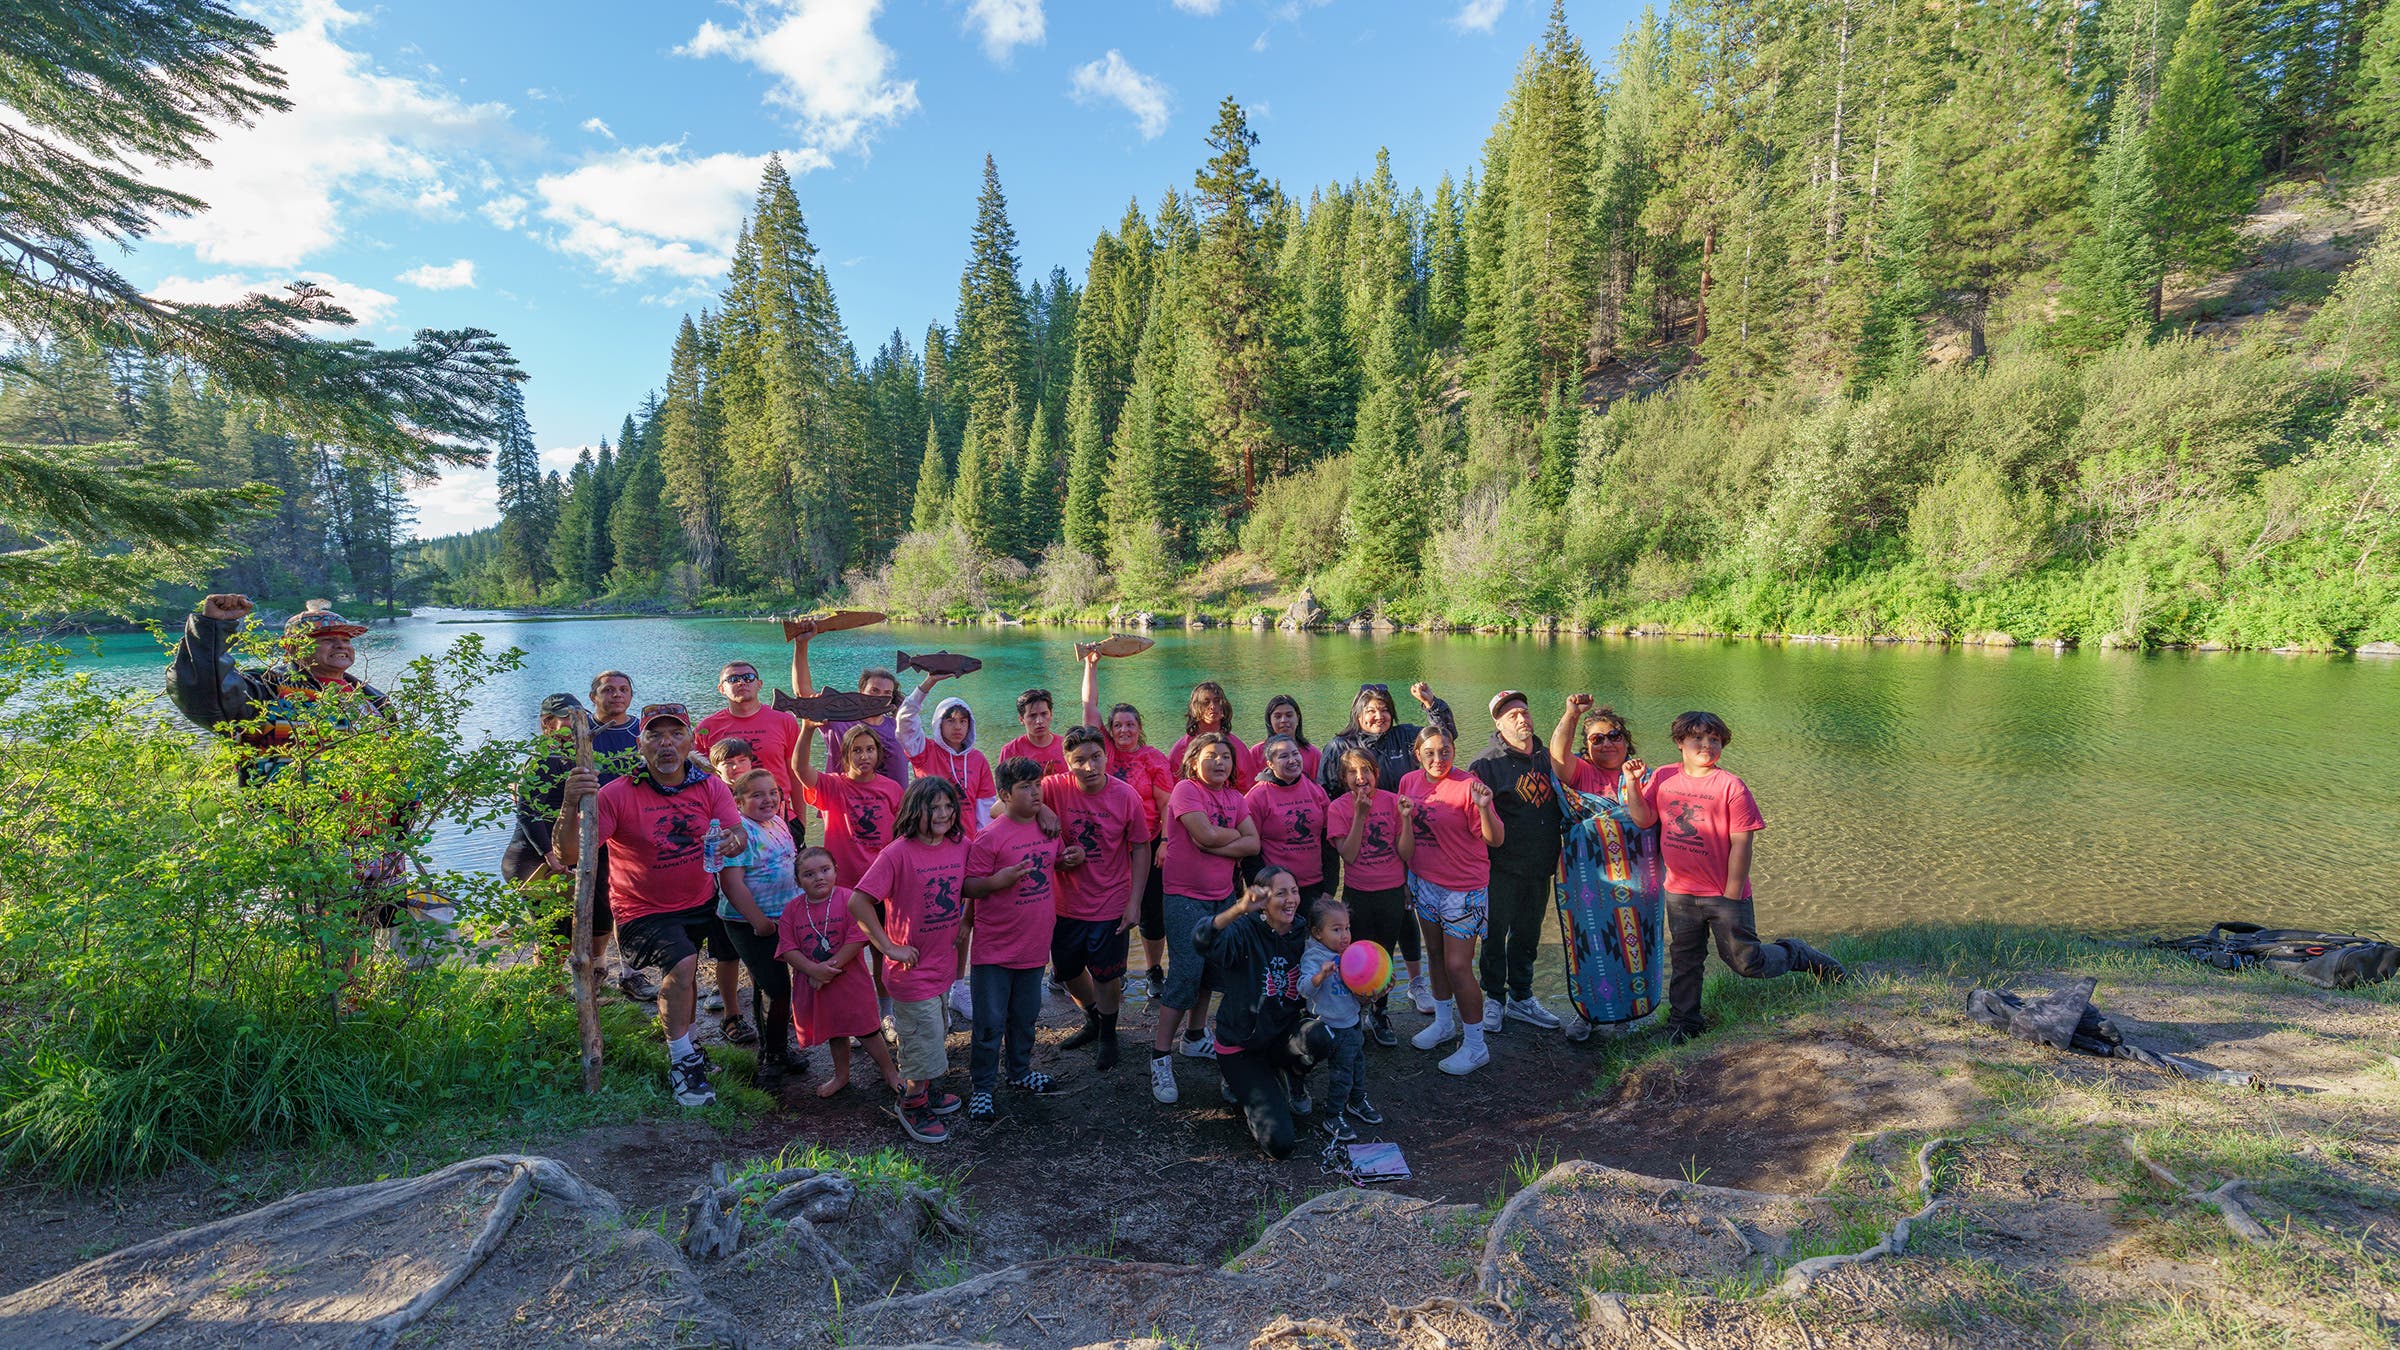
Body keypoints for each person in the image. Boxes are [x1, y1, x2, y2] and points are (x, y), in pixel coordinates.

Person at [554, 703, 749, 1108]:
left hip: (698, 900)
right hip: (640, 907)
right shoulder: (617, 794)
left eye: (675, 734)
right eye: (655, 736)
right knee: (681, 967)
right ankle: (682, 1063)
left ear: (690, 741)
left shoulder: (709, 787)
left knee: (687, 973)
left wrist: (733, 841)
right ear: (639, 744)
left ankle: (690, 1043)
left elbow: (735, 833)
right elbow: (571, 853)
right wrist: (569, 805)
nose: (666, 744)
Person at [1645, 711, 1845, 1042]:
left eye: (1714, 739)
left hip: (1723, 893)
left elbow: (1741, 844)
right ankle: (1684, 1023)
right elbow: (1644, 816)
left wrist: (1732, 893)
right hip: (1679, 892)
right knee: (1685, 958)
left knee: (1746, 962)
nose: (1707, 744)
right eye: (1697, 737)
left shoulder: (1731, 786)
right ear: (1680, 742)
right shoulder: (1664, 777)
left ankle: (1797, 953)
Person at [1317, 681, 1456, 1013]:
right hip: (1356, 846)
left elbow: (1443, 738)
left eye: (1383, 709)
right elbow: (1323, 792)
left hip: (1398, 832)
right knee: (1359, 936)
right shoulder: (1340, 746)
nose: (1378, 716)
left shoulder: (1405, 736)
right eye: (1370, 710)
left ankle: (1410, 987)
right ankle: (1356, 1003)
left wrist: (1431, 703)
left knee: (1402, 919)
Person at [848, 776, 972, 1142]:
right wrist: (889, 947)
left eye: (949, 806)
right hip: (911, 971)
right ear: (914, 809)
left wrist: (966, 919)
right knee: (922, 1038)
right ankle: (912, 1103)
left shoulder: (958, 844)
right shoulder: (897, 853)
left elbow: (976, 879)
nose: (944, 814)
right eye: (934, 808)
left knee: (935, 1033)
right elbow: (858, 902)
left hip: (942, 966)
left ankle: (927, 1087)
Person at [168, 594, 394, 787]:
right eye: (326, 639)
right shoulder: (266, 688)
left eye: (346, 640)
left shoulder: (370, 698)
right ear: (292, 647)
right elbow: (204, 689)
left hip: (376, 832)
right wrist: (211, 629)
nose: (342, 645)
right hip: (298, 831)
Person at [1150, 733, 1259, 1105]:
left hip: (1223, 896)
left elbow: (1253, 843)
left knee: (1214, 970)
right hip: (1184, 896)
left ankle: (1195, 1038)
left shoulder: (1235, 797)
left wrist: (1215, 840)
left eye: (1226, 757)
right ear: (1195, 759)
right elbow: (1201, 834)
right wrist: (1224, 838)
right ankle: (1160, 1056)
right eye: (1212, 756)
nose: (1219, 763)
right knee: (1184, 972)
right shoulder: (1186, 789)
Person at [1548, 695, 1664, 1043]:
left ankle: (1626, 1013)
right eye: (1596, 738)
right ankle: (1587, 1014)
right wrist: (1571, 714)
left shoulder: (1646, 776)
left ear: (1626, 740)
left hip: (1638, 878)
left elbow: (1645, 821)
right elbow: (1556, 756)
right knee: (1587, 944)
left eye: (1614, 735)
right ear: (1586, 747)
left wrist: (1633, 783)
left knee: (1634, 942)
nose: (1607, 743)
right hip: (1587, 878)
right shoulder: (1581, 772)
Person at [1195, 866, 1331, 1160]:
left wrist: (1367, 989)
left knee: (1321, 1036)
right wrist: (1238, 909)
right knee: (1279, 1145)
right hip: (1242, 1045)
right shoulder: (1243, 931)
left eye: (1294, 891)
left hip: (1282, 1038)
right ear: (1261, 901)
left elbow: (1339, 969)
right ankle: (1241, 1082)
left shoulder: (1304, 932)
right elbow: (1202, 939)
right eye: (1281, 893)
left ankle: (1293, 1075)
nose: (1291, 899)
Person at [1042, 725, 1154, 1070]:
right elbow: (1006, 805)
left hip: (1111, 900)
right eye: (1080, 761)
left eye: (1096, 757)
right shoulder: (1052, 789)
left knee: (1107, 975)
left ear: (1106, 755)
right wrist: (1043, 812)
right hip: (1065, 902)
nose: (1090, 767)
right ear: (1066, 762)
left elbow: (1141, 847)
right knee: (1067, 969)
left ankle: (1108, 1033)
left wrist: (1135, 901)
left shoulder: (1125, 795)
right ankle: (1093, 1018)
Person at [961, 758, 1065, 1120]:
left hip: (1035, 945)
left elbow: (1057, 862)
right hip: (995, 949)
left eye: (1037, 784)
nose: (1035, 791)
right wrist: (998, 881)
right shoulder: (990, 836)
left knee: (1025, 1016)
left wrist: (1070, 858)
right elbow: (969, 885)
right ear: (1004, 795)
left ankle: (1019, 1073)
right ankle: (982, 1087)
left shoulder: (1048, 827)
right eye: (1025, 787)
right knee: (989, 1022)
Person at [1396, 725, 1503, 1076]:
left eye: (1445, 751)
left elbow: (1496, 839)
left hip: (1463, 887)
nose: (1438, 758)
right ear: (1418, 754)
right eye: (1430, 752)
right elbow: (1407, 840)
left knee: (1459, 965)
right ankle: (1444, 1024)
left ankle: (1475, 1046)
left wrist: (1485, 808)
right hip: (1425, 883)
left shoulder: (1467, 785)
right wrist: (1409, 879)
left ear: (1454, 750)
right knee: (1437, 955)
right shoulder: (1409, 782)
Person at [1469, 690, 1568, 1034]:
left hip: (1541, 866)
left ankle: (1522, 997)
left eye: (1524, 711)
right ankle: (1494, 998)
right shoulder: (1486, 765)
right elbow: (1472, 820)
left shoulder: (1549, 757)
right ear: (1497, 723)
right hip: (1500, 867)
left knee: (1528, 933)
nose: (1520, 719)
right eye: (1511, 715)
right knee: (1494, 934)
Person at [1079, 649, 1176, 1001]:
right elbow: (1090, 709)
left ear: (1139, 728)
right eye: (1118, 724)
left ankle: (1152, 970)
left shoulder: (1153, 758)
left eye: (1130, 724)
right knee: (1109, 911)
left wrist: (1166, 842)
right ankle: (1112, 971)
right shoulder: (1103, 750)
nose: (1123, 729)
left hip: (1148, 845)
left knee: (1151, 914)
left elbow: (1166, 804)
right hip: (1108, 850)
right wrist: (1091, 667)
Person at [778, 845, 900, 1099]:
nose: (819, 877)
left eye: (825, 870)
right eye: (809, 874)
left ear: (836, 870)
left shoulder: (849, 900)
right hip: (816, 984)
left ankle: (890, 1071)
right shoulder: (792, 910)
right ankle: (841, 1075)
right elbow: (788, 948)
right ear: (798, 880)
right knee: (836, 1030)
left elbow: (857, 940)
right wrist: (813, 969)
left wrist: (826, 971)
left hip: (849, 981)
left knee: (867, 1030)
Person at [715, 770, 802, 1088]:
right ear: (738, 802)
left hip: (783, 917)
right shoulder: (739, 834)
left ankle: (779, 1048)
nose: (768, 799)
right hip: (749, 923)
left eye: (773, 792)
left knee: (773, 987)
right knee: (776, 989)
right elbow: (731, 883)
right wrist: (759, 922)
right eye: (757, 795)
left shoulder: (778, 822)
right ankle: (770, 1058)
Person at [1328, 748, 1409, 1047]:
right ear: (1343, 777)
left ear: (1376, 773)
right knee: (1356, 954)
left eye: (1366, 770)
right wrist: (1360, 815)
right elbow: (1348, 855)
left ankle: (1380, 1012)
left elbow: (1405, 853)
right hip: (1358, 892)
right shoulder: (1338, 808)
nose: (1360, 778)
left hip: (1390, 891)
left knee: (1385, 955)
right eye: (1352, 772)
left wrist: (1407, 820)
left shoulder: (1391, 802)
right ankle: (1354, 1013)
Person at [587, 670, 655, 1001]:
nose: (617, 695)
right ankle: (598, 968)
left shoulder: (641, 732)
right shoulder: (582, 734)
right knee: (599, 904)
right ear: (593, 697)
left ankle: (631, 972)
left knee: (632, 903)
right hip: (595, 828)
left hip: (635, 830)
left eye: (624, 689)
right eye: (609, 690)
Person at [788, 623, 908, 790]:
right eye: (874, 690)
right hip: (842, 806)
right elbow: (804, 692)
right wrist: (801, 644)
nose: (880, 696)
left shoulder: (899, 729)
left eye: (887, 693)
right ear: (860, 690)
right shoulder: (839, 719)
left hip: (892, 810)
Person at [696, 659, 806, 840]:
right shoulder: (705, 728)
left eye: (748, 677)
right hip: (731, 821)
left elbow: (795, 773)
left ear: (759, 684)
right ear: (721, 688)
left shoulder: (784, 721)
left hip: (779, 816)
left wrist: (800, 820)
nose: (741, 682)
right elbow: (703, 783)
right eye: (732, 679)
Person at [1300, 899, 1380, 1141]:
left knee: (1358, 1066)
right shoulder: (1314, 957)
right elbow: (1303, 988)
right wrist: (1321, 975)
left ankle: (1356, 1101)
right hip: (1330, 1028)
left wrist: (1377, 987)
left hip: (1352, 1022)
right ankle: (1333, 1115)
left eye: (1346, 928)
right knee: (1341, 1074)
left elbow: (1359, 992)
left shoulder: (1350, 953)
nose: (1345, 935)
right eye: (1336, 929)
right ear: (1317, 932)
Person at [792, 721, 906, 889]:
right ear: (845, 754)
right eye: (856, 750)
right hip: (843, 882)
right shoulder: (832, 785)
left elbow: (902, 834)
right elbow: (800, 768)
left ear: (878, 753)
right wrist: (808, 729)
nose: (864, 756)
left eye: (870, 749)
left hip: (882, 877)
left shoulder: (893, 788)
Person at [701, 738, 761, 1045]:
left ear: (752, 761)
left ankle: (765, 1005)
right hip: (723, 891)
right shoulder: (712, 794)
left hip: (760, 890)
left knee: (760, 952)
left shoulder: (761, 793)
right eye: (728, 762)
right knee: (726, 953)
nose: (735, 767)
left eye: (741, 760)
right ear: (716, 767)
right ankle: (732, 1013)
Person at [898, 670, 998, 830]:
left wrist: (980, 843)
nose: (958, 727)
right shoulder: (923, 752)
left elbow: (986, 807)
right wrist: (928, 683)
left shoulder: (978, 760)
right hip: (929, 838)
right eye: (950, 721)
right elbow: (905, 720)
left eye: (963, 721)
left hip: (967, 842)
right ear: (939, 723)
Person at [1246, 733, 1331, 915]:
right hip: (1277, 890)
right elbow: (1250, 854)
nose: (1292, 760)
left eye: (1295, 754)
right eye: (1283, 756)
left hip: (1314, 885)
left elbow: (1327, 842)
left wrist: (1329, 888)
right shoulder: (1257, 797)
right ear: (1270, 764)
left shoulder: (1316, 791)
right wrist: (1262, 892)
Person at [501, 692, 580, 889]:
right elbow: (528, 812)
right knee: (556, 920)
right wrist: (551, 857)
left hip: (559, 856)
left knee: (571, 918)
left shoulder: (571, 756)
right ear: (548, 723)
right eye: (567, 717)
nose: (575, 722)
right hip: (531, 861)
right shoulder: (544, 759)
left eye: (578, 717)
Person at [1168, 682, 1256, 790]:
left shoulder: (1237, 746)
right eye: (1206, 702)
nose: (1213, 707)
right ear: (1195, 707)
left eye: (1217, 701)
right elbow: (1172, 790)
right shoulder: (1181, 748)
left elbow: (1247, 788)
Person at [1000, 688, 1069, 778]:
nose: (1039, 721)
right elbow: (1005, 789)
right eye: (1032, 716)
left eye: (1044, 714)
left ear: (1051, 714)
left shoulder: (1067, 747)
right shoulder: (1010, 751)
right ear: (1021, 719)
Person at [1262, 695, 1320, 783]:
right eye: (1278, 716)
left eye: (1289, 715)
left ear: (1298, 718)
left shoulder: (1313, 754)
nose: (1283, 720)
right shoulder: (1256, 752)